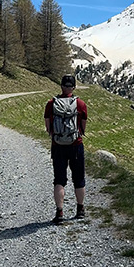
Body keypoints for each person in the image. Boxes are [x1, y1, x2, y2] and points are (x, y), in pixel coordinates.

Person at [44, 75, 89, 224]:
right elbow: (82, 127)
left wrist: (55, 135)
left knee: (59, 180)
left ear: (61, 86)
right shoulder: (80, 104)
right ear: (74, 87)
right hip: (76, 145)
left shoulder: (51, 103)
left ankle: (60, 212)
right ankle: (80, 209)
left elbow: (48, 126)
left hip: (58, 146)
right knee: (79, 179)